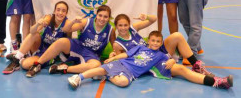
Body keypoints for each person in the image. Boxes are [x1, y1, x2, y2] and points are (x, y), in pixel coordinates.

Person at [68, 31, 233, 90]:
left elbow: (169, 59)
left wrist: (172, 62)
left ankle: (216, 82)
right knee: (108, 71)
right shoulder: (139, 47)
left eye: (157, 42)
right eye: (152, 41)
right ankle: (80, 77)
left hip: (149, 65)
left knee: (182, 70)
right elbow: (125, 55)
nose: (155, 43)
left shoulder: (158, 52)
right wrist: (112, 58)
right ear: (148, 42)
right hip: (129, 66)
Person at [23, 5, 116, 78]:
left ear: (109, 18)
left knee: (97, 65)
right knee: (62, 41)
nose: (102, 19)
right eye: (100, 15)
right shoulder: (86, 22)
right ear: (96, 15)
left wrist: (113, 53)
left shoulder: (110, 29)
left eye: (105, 17)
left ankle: (64, 69)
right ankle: (37, 64)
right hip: (78, 47)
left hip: (91, 55)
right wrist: (73, 22)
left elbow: (114, 46)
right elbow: (66, 30)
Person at [111, 14, 214, 76]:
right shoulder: (117, 44)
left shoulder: (133, 28)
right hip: (149, 61)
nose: (123, 28)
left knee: (177, 36)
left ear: (129, 24)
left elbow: (154, 19)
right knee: (181, 71)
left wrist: (146, 17)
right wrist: (113, 55)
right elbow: (122, 61)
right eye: (120, 25)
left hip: (157, 50)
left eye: (125, 25)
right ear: (116, 26)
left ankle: (196, 66)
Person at [3, 1, 71, 74]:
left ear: (66, 13)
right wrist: (38, 24)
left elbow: (68, 44)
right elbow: (32, 31)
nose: (60, 13)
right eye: (58, 10)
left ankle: (23, 58)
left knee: (25, 65)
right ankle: (17, 59)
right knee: (34, 34)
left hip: (49, 54)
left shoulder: (67, 24)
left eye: (63, 11)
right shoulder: (48, 18)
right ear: (54, 11)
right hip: (39, 46)